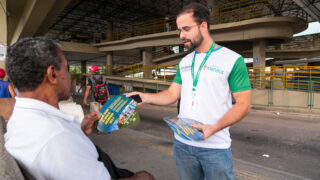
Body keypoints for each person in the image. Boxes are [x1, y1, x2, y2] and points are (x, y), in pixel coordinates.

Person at [127, 2, 251, 180]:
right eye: (179, 30)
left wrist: (214, 128)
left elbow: (244, 104)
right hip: (182, 145)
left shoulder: (232, 60)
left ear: (203, 26)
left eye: (186, 29)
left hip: (215, 148)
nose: (181, 35)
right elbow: (171, 94)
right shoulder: (184, 62)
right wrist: (144, 97)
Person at [4, 37, 154, 180]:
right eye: (66, 68)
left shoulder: (20, 118)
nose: (69, 75)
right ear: (53, 74)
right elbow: (58, 144)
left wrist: (79, 131)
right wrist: (144, 177)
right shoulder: (57, 138)